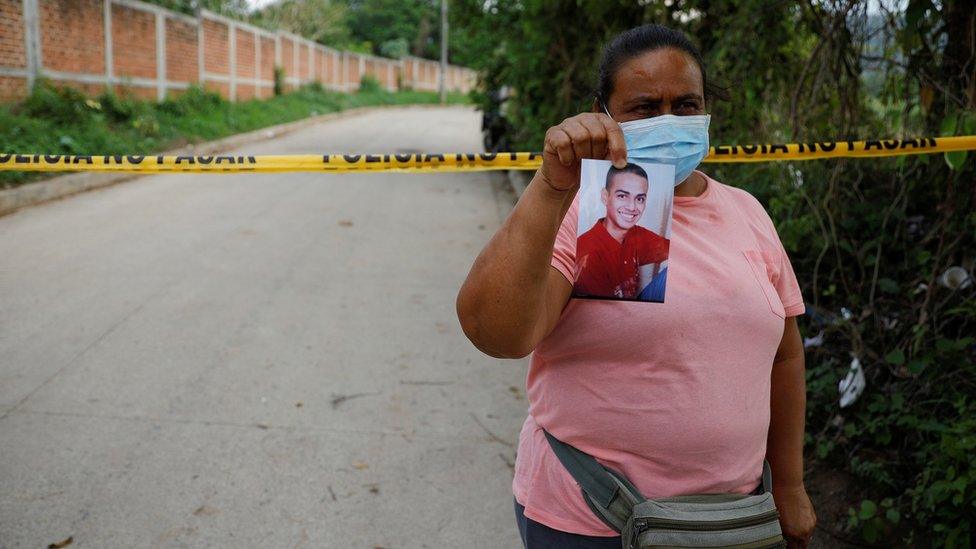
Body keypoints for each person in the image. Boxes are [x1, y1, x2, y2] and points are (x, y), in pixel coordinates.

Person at [456, 23, 817, 549]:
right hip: (592, 519)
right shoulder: (583, 210)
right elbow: (497, 334)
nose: (669, 121)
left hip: (730, 522)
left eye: (686, 104)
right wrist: (551, 186)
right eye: (644, 108)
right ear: (604, 114)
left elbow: (784, 357)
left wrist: (790, 485)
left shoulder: (748, 212)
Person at [574, 162, 670, 300]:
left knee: (672, 270)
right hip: (606, 316)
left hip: (630, 309)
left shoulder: (635, 235)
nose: (632, 207)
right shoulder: (588, 256)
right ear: (605, 196)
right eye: (622, 196)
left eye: (640, 198)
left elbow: (674, 251)